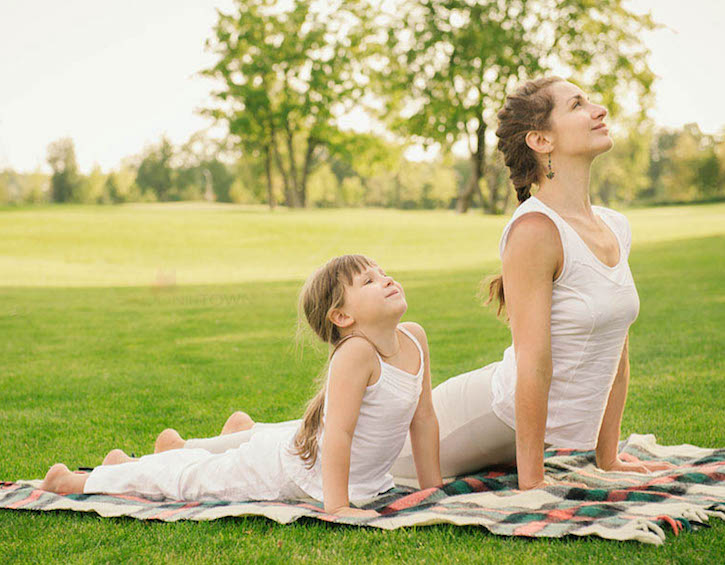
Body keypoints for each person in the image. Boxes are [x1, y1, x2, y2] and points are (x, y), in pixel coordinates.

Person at [157, 76, 672, 490]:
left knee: (349, 437)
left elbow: (615, 352)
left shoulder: (614, 226)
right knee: (361, 455)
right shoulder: (536, 231)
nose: (598, 109)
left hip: (527, 417)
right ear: (541, 141)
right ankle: (193, 451)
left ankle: (244, 432)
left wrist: (608, 457)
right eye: (578, 104)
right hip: (491, 415)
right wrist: (532, 482)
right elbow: (533, 364)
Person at [40, 255, 442, 516]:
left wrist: (433, 491)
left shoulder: (414, 338)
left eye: (383, 273)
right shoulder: (356, 354)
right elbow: (338, 434)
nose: (387, 280)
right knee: (191, 481)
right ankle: (77, 480)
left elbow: (423, 421)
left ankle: (222, 438)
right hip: (288, 475)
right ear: (341, 317)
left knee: (218, 460)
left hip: (365, 483)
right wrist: (337, 506)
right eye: (369, 281)